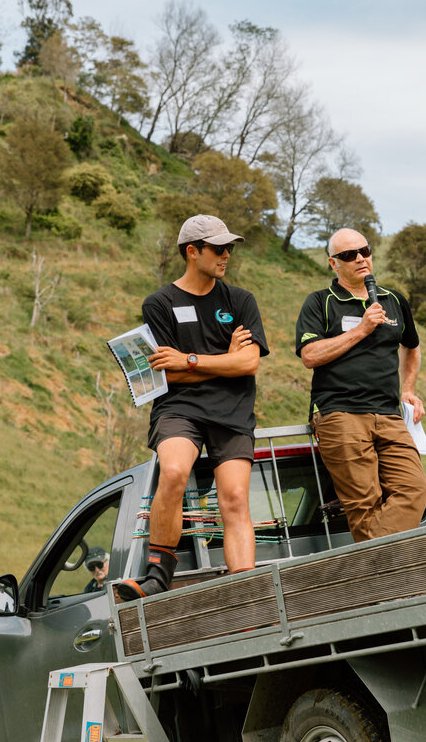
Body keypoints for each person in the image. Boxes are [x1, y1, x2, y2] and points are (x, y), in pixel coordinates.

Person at [114, 214, 269, 600]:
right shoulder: (159, 304)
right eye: (219, 248)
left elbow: (248, 364)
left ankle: (245, 590)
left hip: (233, 412)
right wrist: (221, 362)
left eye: (229, 248)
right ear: (192, 251)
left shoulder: (241, 300)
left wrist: (190, 360)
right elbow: (165, 377)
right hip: (178, 409)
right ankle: (157, 574)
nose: (226, 255)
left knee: (234, 498)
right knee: (175, 471)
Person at [294, 228, 426, 542]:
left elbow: (412, 347)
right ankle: (386, 579)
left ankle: (374, 570)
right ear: (333, 263)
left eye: (364, 251)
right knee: (364, 505)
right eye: (348, 255)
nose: (360, 259)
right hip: (340, 413)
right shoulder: (320, 302)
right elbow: (310, 355)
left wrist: (407, 389)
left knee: (414, 489)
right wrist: (362, 329)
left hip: (389, 413)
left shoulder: (394, 300)